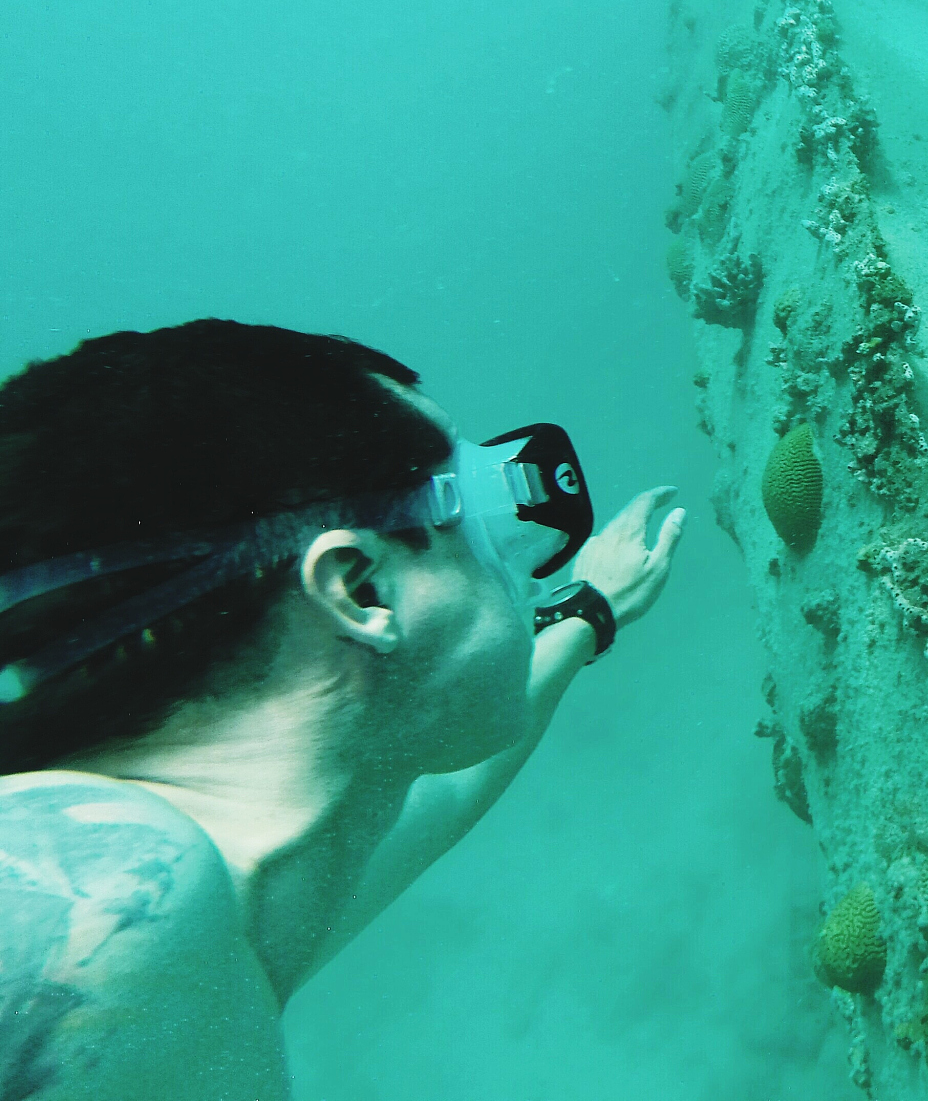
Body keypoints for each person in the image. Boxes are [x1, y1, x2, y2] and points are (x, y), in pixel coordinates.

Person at [0, 320, 685, 1098]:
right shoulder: (101, 898)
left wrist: (587, 611)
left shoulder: (237, 919)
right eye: (473, 518)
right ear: (360, 590)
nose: (515, 561)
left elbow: (437, 795)